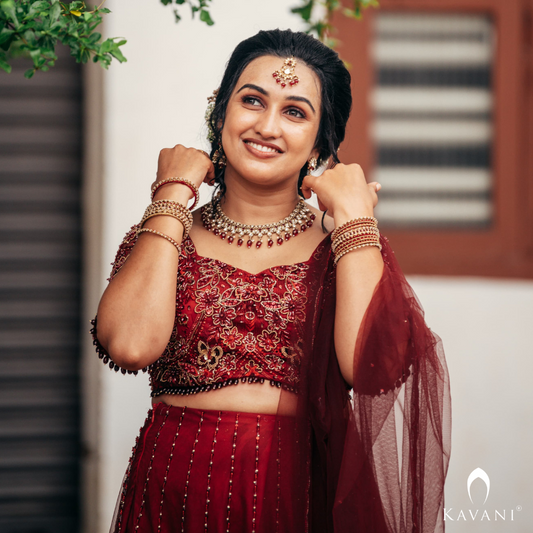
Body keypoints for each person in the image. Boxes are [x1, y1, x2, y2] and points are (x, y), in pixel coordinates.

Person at [92, 29, 451, 533]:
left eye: (295, 112)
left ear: (321, 143)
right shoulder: (167, 231)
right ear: (219, 115)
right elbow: (128, 344)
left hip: (297, 493)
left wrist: (352, 216)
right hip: (174, 483)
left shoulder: (343, 248)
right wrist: (172, 194)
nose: (266, 126)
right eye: (253, 100)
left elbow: (375, 371)